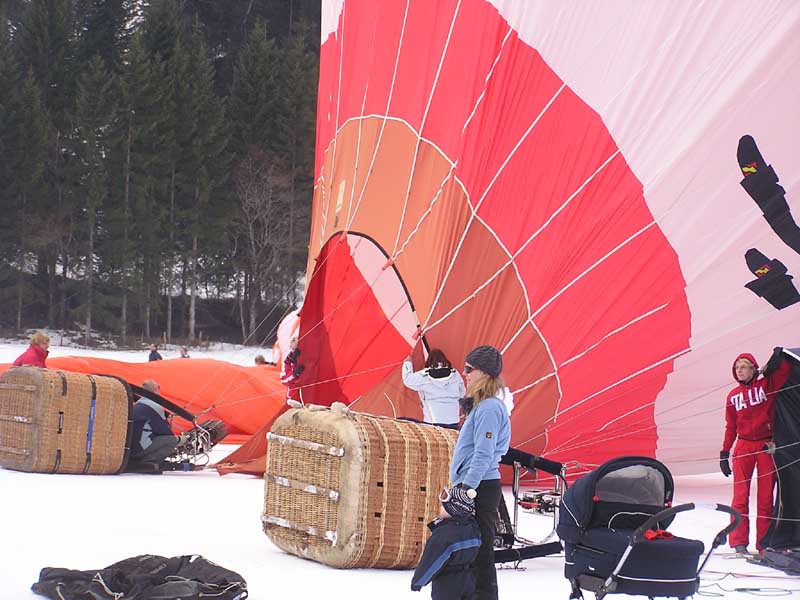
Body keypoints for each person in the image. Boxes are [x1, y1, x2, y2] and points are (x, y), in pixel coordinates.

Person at [448, 345, 511, 600]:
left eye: (469, 369)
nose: (465, 374)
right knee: (473, 549)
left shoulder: (488, 410)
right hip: (476, 485)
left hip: (480, 488)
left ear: (483, 373)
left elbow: (483, 454)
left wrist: (465, 490)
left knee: (481, 550)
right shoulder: (481, 407)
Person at [720, 348, 791, 555]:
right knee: (739, 497)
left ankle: (763, 544)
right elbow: (730, 426)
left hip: (766, 446)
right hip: (742, 446)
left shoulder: (767, 386)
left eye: (744, 367)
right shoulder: (733, 396)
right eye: (737, 367)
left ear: (754, 369)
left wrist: (780, 356)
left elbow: (784, 372)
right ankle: (739, 542)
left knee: (766, 498)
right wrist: (725, 452)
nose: (739, 370)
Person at [411, 486, 481, 599]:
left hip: (447, 582)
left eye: (443, 506)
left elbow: (432, 561)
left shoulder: (443, 535)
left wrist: (419, 581)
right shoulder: (472, 527)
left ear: (453, 510)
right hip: (468, 579)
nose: (440, 508)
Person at [402, 349, 465, 426]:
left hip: (433, 421)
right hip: (454, 419)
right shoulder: (455, 374)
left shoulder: (424, 376)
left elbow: (407, 380)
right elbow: (462, 393)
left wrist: (407, 363)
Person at [130, 380, 179, 464]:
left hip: (130, 448)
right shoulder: (155, 406)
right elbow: (164, 431)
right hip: (141, 447)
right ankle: (150, 462)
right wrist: (180, 440)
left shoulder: (137, 405)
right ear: (156, 391)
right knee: (172, 440)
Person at [280, 337, 305, 401]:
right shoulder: (287, 362)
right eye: (294, 349)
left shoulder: (309, 359)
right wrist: (294, 374)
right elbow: (283, 380)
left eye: (297, 349)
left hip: (310, 395)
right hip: (293, 397)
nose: (295, 352)